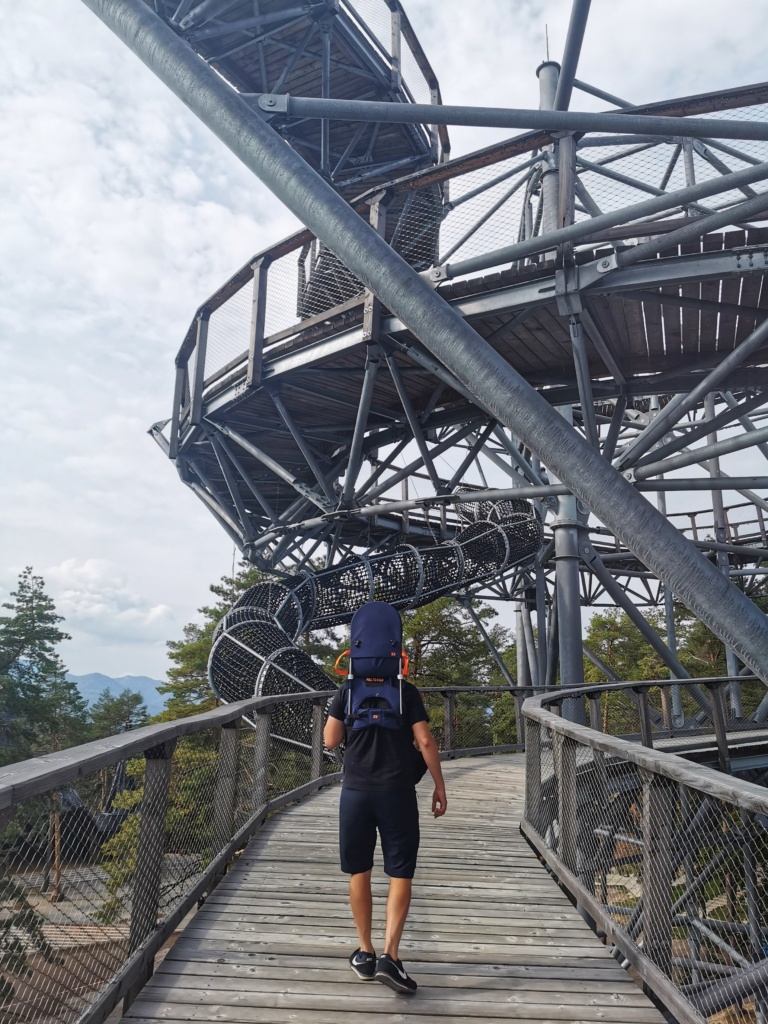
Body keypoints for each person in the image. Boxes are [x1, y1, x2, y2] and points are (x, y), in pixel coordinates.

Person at [323, 638, 447, 995]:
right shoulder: (406, 692)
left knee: (358, 869)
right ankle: (391, 956)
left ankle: (365, 953)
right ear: (397, 656)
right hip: (397, 793)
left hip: (356, 793)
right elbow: (424, 741)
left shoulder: (346, 691)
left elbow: (330, 741)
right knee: (400, 871)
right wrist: (439, 786)